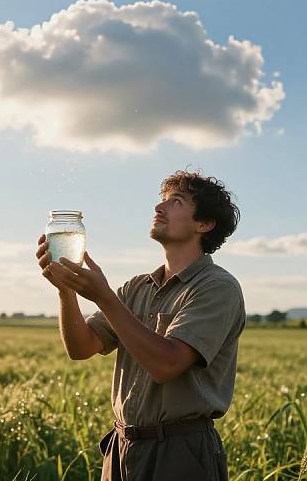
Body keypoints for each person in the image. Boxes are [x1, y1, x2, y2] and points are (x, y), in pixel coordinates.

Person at [36, 169, 246, 481]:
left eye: (175, 202)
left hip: (180, 452)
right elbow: (81, 347)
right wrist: (65, 291)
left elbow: (167, 364)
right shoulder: (136, 288)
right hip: (121, 448)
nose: (158, 208)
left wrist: (105, 297)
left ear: (204, 224)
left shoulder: (217, 287)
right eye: (161, 201)